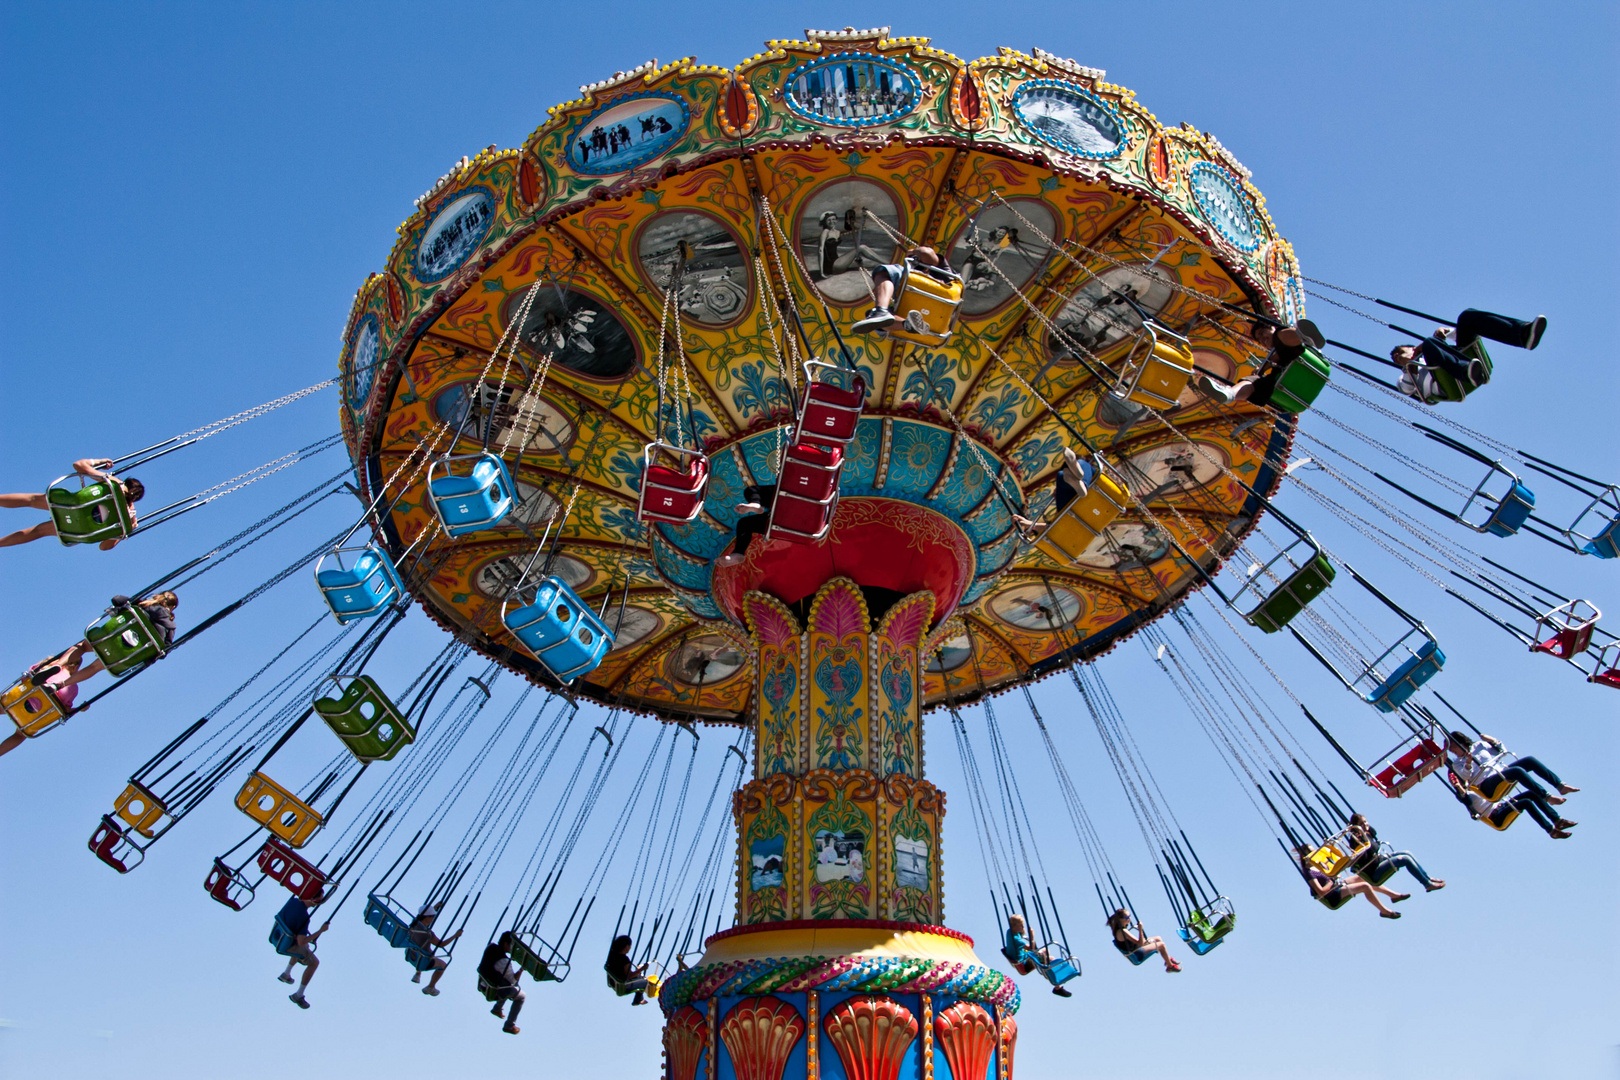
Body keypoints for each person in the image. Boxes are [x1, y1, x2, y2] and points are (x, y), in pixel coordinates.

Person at [44, 592, 180, 691]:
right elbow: (164, 651)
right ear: (172, 608)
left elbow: (116, 599)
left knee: (83, 646)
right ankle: (59, 685)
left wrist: (133, 602)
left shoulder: (142, 604)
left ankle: (57, 665)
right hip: (124, 656)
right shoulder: (170, 628)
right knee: (95, 667)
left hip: (108, 637)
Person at [1, 458, 145, 550]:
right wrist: (125, 531)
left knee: (31, 500)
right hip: (79, 527)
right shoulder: (128, 517)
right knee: (39, 531)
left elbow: (78, 465)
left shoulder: (115, 484)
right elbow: (103, 546)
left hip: (72, 504)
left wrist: (99, 462)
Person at [1445, 730, 1576, 819]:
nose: (1454, 752)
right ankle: (1546, 796)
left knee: (1530, 760)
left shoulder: (1479, 746)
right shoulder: (1458, 764)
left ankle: (1560, 785)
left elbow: (1502, 751)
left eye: (1453, 748)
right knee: (1517, 771)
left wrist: (1492, 740)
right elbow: (1465, 777)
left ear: (1460, 743)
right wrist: (1468, 763)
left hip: (1501, 772)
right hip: (1486, 784)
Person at [1195, 320, 1324, 407]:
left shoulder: (1278, 343)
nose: (1263, 339)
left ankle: (1301, 336)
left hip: (1297, 356)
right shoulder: (1275, 356)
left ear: (1271, 327)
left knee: (1278, 338)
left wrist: (1263, 367)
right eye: (1260, 339)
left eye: (1263, 333)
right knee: (1255, 382)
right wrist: (1260, 371)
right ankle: (1230, 394)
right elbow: (1275, 358)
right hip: (1286, 380)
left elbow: (1276, 356)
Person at [0, 645, 89, 759]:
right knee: (20, 735)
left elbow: (27, 677)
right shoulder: (73, 688)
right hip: (32, 719)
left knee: (6, 704)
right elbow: (65, 710)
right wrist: (81, 708)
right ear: (75, 667)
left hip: (15, 702)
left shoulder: (46, 666)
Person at [851, 245, 961, 333]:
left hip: (934, 293)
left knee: (883, 272)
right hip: (933, 318)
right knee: (875, 318)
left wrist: (913, 251)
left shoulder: (944, 272)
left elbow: (926, 253)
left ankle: (881, 310)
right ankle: (908, 325)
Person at [1443, 770, 1574, 838]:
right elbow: (1465, 800)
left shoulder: (1474, 785)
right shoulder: (1463, 794)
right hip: (1496, 816)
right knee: (1526, 803)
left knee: (1531, 794)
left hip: (1503, 806)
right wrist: (1458, 787)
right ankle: (1551, 831)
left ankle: (1557, 820)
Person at [1297, 846, 1406, 918]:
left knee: (1362, 878)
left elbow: (1333, 873)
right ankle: (1384, 911)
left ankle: (1394, 896)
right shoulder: (1308, 872)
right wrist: (1331, 881)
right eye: (1312, 852)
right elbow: (1321, 892)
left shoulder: (1320, 864)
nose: (1315, 853)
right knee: (1365, 886)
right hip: (1332, 894)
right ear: (1305, 856)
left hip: (1336, 885)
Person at [1345, 813, 1445, 892]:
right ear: (1356, 827)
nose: (1365, 825)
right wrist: (1360, 840)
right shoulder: (1356, 840)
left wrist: (1365, 829)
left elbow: (1374, 833)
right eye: (1361, 824)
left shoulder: (1367, 833)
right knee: (1405, 859)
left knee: (1407, 852)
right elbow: (1366, 855)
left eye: (1365, 822)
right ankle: (1427, 884)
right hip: (1374, 870)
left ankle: (1427, 877)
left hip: (1380, 860)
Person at [1012, 447, 1093, 541]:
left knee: (1063, 475)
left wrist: (1030, 524)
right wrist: (1029, 524)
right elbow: (1053, 527)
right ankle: (1078, 477)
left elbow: (1052, 527)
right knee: (1065, 474)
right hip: (1077, 501)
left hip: (1079, 497)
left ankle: (1076, 472)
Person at [276, 887, 330, 1009]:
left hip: (279, 935)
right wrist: (321, 931)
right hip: (288, 945)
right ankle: (299, 994)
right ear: (312, 899)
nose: (318, 904)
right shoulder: (304, 917)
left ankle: (286, 973)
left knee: (302, 943)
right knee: (314, 963)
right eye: (318, 901)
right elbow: (301, 942)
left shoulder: (293, 901)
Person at [1000, 913, 1070, 997]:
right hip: (1023, 964)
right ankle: (1057, 986)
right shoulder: (1016, 939)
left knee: (1046, 952)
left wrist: (1023, 930)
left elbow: (1022, 934)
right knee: (1049, 960)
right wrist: (1032, 936)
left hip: (1023, 956)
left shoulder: (1010, 931)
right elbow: (1032, 948)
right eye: (1021, 925)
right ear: (1015, 926)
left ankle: (1055, 980)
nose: (1023, 927)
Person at [408, 900, 462, 996]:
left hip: (410, 954)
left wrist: (435, 907)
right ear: (427, 917)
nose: (433, 919)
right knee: (443, 965)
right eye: (432, 917)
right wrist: (455, 935)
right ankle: (431, 986)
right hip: (422, 960)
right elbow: (441, 944)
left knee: (423, 948)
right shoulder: (428, 934)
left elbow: (425, 916)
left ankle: (418, 974)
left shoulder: (414, 923)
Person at [715, 485, 777, 569]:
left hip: (781, 513)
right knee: (744, 523)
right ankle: (756, 504)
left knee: (751, 491)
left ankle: (756, 503)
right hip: (786, 515)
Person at [1105, 908, 1181, 972]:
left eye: (1129, 916)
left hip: (1135, 947)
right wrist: (1140, 929)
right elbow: (1140, 943)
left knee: (1158, 938)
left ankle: (1167, 959)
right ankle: (1170, 966)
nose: (1129, 919)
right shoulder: (1123, 931)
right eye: (1127, 918)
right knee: (1162, 945)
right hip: (1136, 953)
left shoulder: (1118, 928)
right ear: (1120, 920)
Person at [477, 931, 524, 1035]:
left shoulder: (491, 947)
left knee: (504, 984)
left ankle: (497, 1008)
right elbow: (513, 982)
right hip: (493, 990)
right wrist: (521, 970)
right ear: (506, 944)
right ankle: (509, 1025)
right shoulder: (504, 961)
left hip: (483, 983)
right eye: (511, 945)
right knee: (521, 995)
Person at [605, 934, 653, 1005]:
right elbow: (629, 976)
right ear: (627, 946)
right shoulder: (624, 960)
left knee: (638, 976)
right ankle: (637, 1000)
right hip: (622, 986)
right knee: (645, 982)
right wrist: (642, 969)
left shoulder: (612, 954)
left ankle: (640, 999)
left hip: (613, 981)